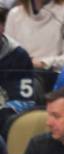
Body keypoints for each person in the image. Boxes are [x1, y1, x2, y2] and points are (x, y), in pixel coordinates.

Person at [4, 0, 64, 72]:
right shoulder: (14, 14)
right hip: (19, 77)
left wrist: (44, 63)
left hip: (53, 76)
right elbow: (7, 55)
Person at [0, 10, 35, 138]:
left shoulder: (18, 56)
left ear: (3, 27)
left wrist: (5, 109)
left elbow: (25, 98)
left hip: (6, 108)